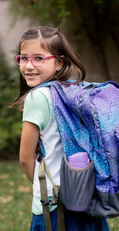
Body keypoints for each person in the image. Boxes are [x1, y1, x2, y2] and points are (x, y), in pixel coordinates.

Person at [11, 26, 109, 231]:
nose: (28, 66)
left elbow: (25, 157)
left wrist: (42, 187)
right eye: (23, 58)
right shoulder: (78, 90)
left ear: (59, 62)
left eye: (38, 58)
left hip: (55, 205)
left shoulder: (37, 97)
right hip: (88, 196)